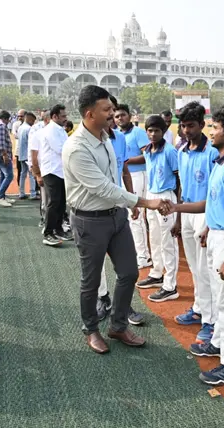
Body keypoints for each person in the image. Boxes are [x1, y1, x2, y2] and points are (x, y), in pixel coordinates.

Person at [62, 85, 164, 355]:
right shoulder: (76, 148)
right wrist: (143, 202)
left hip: (116, 216)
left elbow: (115, 177)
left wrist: (127, 204)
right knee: (91, 281)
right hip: (90, 221)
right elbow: (102, 188)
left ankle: (118, 325)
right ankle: (91, 329)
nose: (113, 113)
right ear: (89, 114)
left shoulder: (106, 137)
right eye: (107, 109)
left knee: (129, 272)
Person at [160, 104, 224, 385]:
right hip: (217, 234)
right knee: (219, 296)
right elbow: (210, 203)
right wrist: (183, 212)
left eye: (216, 127)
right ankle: (219, 343)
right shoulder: (221, 163)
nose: (212, 132)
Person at [171, 101, 219, 345]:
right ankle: (199, 308)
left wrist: (209, 224)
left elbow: (215, 193)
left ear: (202, 124)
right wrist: (179, 219)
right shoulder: (181, 151)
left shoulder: (212, 153)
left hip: (204, 213)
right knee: (194, 267)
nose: (186, 130)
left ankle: (210, 321)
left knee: (205, 269)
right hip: (187, 212)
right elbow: (181, 188)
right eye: (183, 126)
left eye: (191, 125)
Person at [96, 96, 144, 326]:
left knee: (125, 264)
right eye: (108, 110)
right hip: (95, 211)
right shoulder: (86, 141)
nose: (112, 115)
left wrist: (132, 200)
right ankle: (102, 298)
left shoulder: (120, 139)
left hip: (118, 207)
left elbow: (124, 170)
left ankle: (123, 305)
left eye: (114, 111)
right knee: (97, 262)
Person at [134, 115, 180, 303]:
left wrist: (176, 206)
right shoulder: (148, 150)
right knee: (154, 237)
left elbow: (178, 179)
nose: (153, 134)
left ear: (163, 131)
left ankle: (170, 285)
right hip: (152, 195)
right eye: (150, 131)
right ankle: (157, 273)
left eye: (157, 131)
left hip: (166, 196)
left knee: (168, 241)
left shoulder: (169, 151)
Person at [115, 104, 152, 269]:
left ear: (129, 116)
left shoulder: (138, 132)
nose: (120, 118)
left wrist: (126, 161)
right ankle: (137, 251)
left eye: (123, 115)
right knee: (128, 216)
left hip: (138, 175)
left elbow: (147, 155)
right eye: (117, 116)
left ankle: (144, 256)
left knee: (137, 215)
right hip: (124, 176)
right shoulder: (117, 135)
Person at [37, 104, 72, 246]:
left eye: (65, 115)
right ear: (54, 116)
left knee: (61, 202)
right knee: (54, 202)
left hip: (60, 171)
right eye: (63, 116)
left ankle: (58, 229)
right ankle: (48, 232)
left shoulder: (60, 130)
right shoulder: (51, 130)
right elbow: (61, 149)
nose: (66, 118)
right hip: (52, 170)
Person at [0, 110, 14, 206]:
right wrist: (5, 155)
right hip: (2, 155)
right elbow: (0, 142)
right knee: (9, 176)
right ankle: (0, 197)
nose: (8, 122)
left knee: (3, 176)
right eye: (8, 120)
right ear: (5, 119)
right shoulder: (1, 126)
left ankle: (2, 196)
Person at [16, 112, 37, 200]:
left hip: (21, 153)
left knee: (23, 174)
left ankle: (21, 193)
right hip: (28, 154)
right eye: (33, 121)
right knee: (31, 174)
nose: (33, 123)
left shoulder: (20, 128)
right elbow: (32, 143)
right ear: (29, 119)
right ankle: (33, 193)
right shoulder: (29, 129)